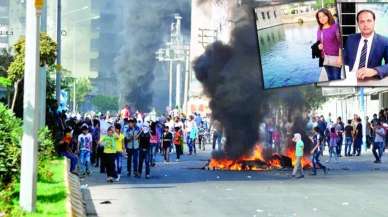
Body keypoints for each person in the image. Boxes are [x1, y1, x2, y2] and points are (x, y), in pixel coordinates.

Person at [343, 9, 388, 81]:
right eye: (362, 21)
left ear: (374, 22)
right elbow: (344, 59)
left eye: (369, 21)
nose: (365, 25)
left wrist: (375, 71)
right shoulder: (351, 38)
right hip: (350, 77)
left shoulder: (384, 41)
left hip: (370, 79)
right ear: (358, 24)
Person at [316, 8, 342, 80]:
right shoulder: (319, 28)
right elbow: (318, 41)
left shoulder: (335, 26)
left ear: (328, 15)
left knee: (336, 77)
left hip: (336, 57)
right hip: (324, 57)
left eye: (324, 16)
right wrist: (319, 46)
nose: (322, 18)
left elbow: (341, 43)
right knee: (330, 77)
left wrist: (340, 57)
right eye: (319, 17)